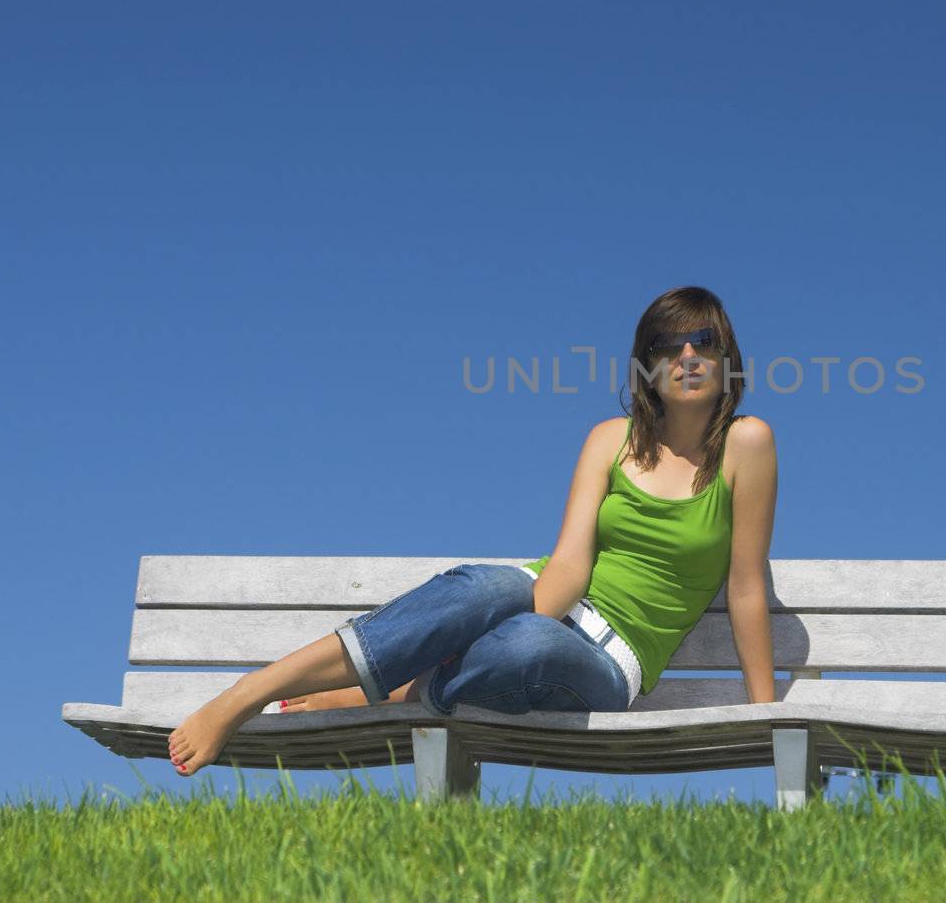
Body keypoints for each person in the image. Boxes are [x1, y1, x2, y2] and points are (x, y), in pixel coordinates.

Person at [168, 286, 778, 776]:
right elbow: (568, 566)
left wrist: (764, 716)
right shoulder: (608, 440)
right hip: (549, 600)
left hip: (608, 659)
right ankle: (250, 692)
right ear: (648, 366)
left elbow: (745, 585)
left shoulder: (747, 445)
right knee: (483, 592)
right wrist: (515, 612)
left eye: (704, 340)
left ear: (726, 358)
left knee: (527, 648)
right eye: (669, 345)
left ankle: (373, 693)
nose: (688, 356)